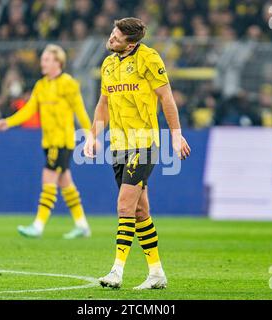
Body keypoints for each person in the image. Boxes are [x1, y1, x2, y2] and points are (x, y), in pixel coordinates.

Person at [83, 17, 191, 289]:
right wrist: (93, 136)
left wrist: (176, 136)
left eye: (116, 38)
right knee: (141, 210)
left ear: (131, 44)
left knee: (124, 205)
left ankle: (116, 271)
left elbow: (166, 98)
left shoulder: (149, 59)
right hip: (118, 145)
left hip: (144, 142)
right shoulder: (108, 64)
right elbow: (103, 103)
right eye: (111, 33)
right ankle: (156, 273)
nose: (111, 39)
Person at [0, 44, 92, 240]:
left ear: (58, 62)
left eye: (47, 59)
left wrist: (91, 135)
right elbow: (30, 109)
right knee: (65, 182)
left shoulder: (68, 84)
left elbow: (80, 111)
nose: (43, 63)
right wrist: (9, 121)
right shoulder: (41, 85)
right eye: (42, 59)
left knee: (48, 178)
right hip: (48, 141)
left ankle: (38, 226)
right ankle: (82, 225)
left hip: (62, 141)